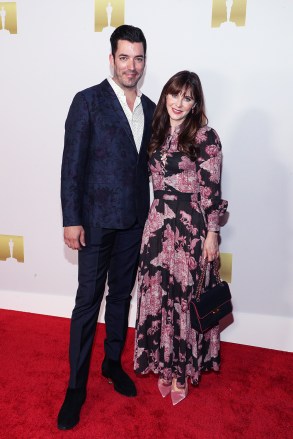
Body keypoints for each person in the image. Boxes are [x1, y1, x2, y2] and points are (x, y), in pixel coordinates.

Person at [58, 25, 156, 430]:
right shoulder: (88, 102)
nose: (131, 66)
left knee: (121, 297)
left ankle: (112, 362)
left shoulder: (151, 107)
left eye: (138, 58)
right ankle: (76, 388)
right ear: (111, 58)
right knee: (87, 303)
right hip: (95, 222)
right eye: (124, 57)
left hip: (134, 220)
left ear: (144, 62)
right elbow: (71, 165)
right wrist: (71, 218)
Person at [134, 71, 228, 405]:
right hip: (157, 226)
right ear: (165, 96)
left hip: (191, 231)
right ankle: (165, 366)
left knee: (186, 300)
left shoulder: (206, 137)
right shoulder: (154, 132)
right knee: (160, 299)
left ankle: (183, 371)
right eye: (175, 94)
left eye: (187, 97)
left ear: (195, 103)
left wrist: (213, 233)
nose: (179, 102)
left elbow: (212, 189)